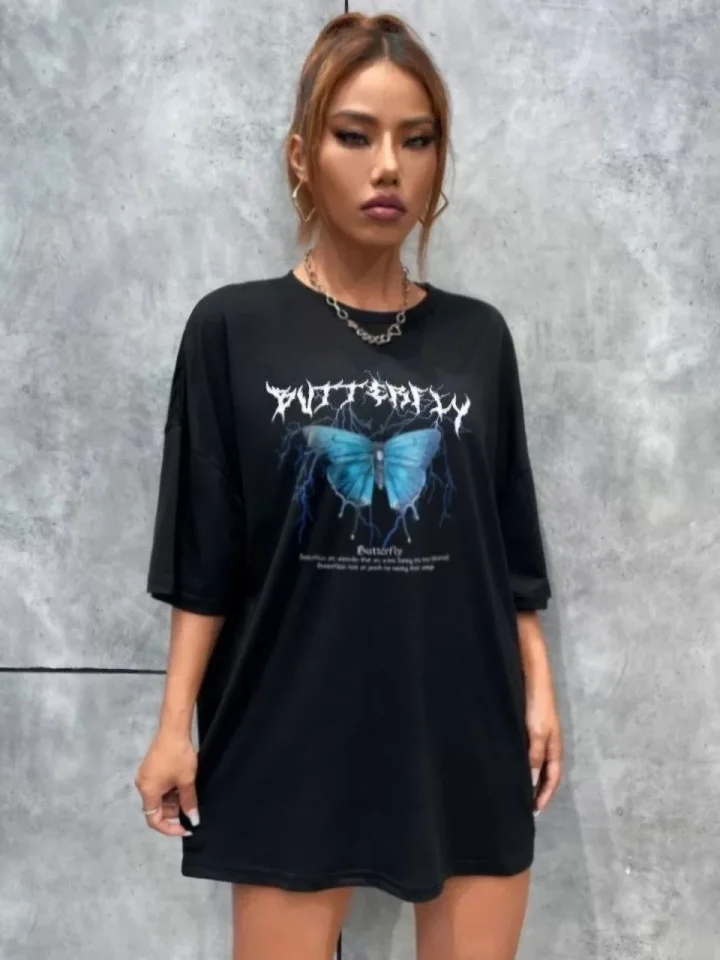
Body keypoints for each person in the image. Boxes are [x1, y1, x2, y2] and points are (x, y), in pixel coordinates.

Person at [134, 11, 563, 960]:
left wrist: (538, 689)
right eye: (355, 135)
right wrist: (172, 728)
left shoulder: (478, 338)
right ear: (302, 154)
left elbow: (507, 537)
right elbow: (204, 553)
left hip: (463, 718)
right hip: (289, 720)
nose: (389, 168)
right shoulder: (232, 330)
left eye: (418, 140)